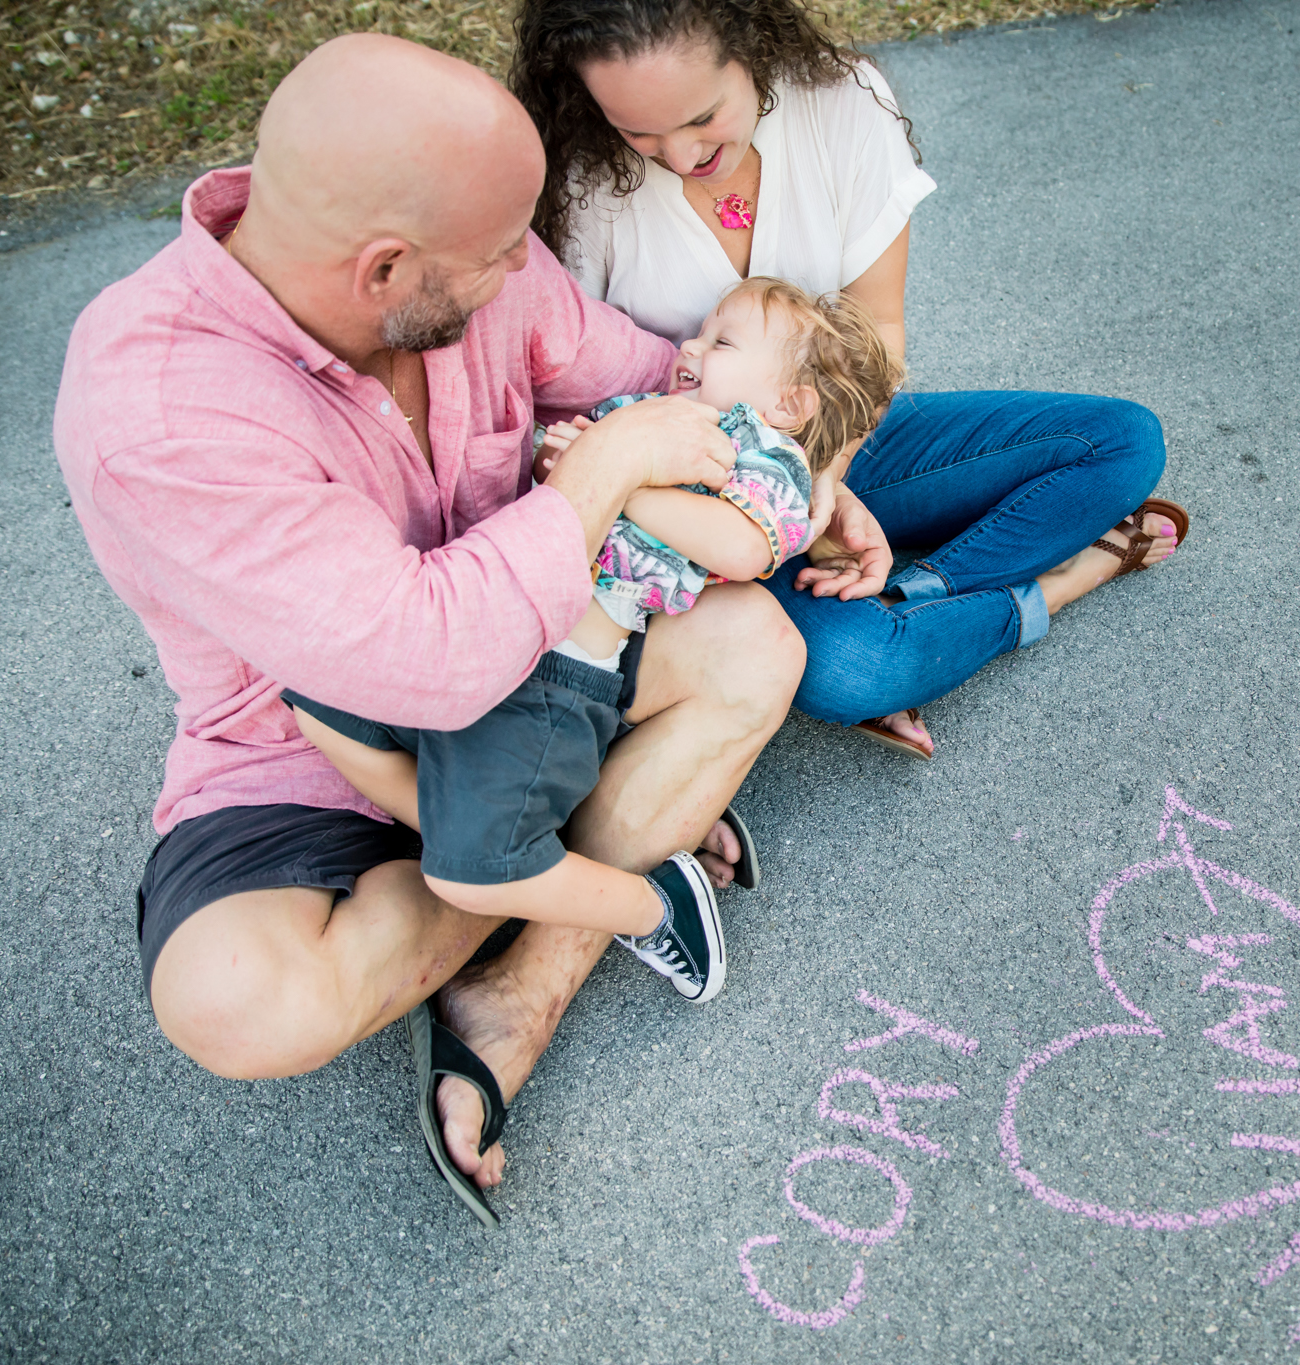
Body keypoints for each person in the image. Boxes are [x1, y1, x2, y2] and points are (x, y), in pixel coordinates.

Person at [52, 33, 803, 1225]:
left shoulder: (470, 270)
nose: (531, 272)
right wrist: (603, 466)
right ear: (385, 269)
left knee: (760, 641)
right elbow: (430, 662)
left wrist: (799, 478)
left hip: (552, 661)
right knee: (241, 1005)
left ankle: (530, 980)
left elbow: (658, 377)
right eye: (506, 253)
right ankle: (600, 835)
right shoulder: (155, 412)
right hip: (316, 744)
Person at [510, 0, 1188, 761]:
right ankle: (1051, 585)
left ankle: (920, 594)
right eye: (637, 129)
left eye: (702, 115)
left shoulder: (840, 106)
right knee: (858, 668)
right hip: (694, 512)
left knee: (1123, 441)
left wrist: (828, 478)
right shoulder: (577, 177)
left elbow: (879, 338)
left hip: (839, 433)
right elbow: (571, 397)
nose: (676, 153)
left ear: (751, 46)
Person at [283, 277, 899, 1003]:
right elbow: (566, 477)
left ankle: (654, 905)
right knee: (314, 698)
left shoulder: (763, 456)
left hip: (561, 675)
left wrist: (618, 474)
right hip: (492, 619)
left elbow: (743, 548)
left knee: (463, 874)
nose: (691, 346)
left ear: (790, 403)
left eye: (720, 341)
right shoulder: (653, 414)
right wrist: (568, 457)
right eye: (700, 331)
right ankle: (502, 827)